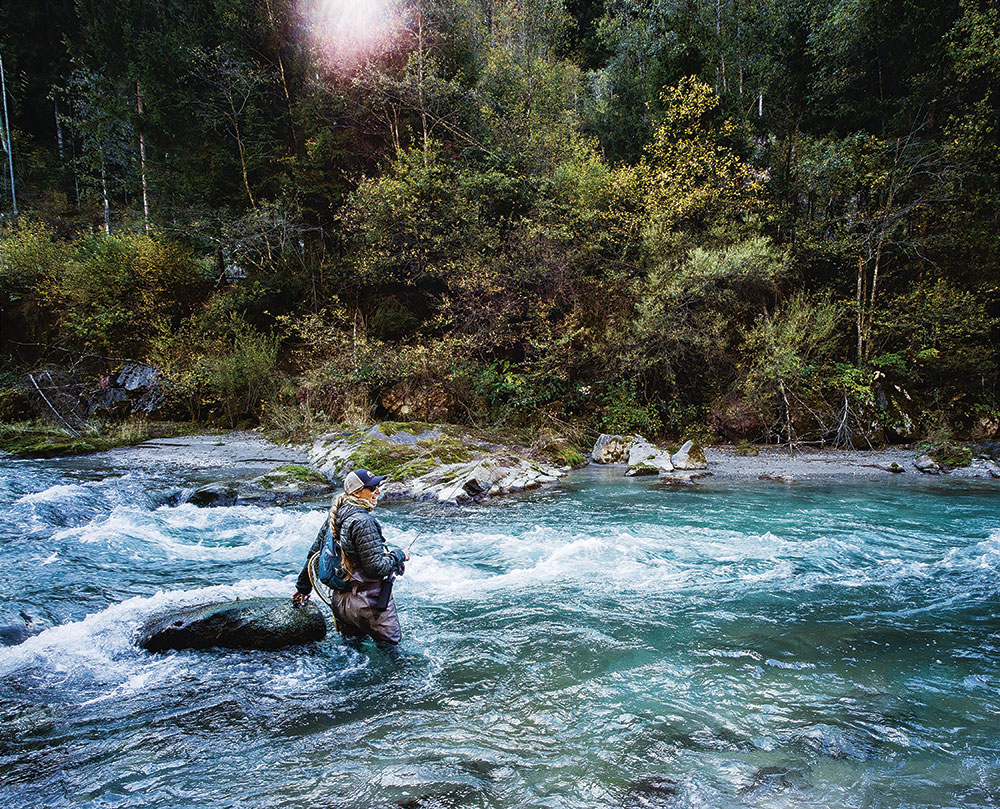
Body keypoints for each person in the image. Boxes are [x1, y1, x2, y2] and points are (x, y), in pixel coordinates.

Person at [293, 469, 409, 644]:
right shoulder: (364, 522)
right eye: (372, 488)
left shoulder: (335, 515)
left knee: (353, 650)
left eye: (378, 486)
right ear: (357, 492)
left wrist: (303, 588)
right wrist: (399, 555)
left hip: (340, 604)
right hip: (368, 604)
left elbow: (313, 555)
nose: (377, 491)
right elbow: (376, 568)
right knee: (393, 654)